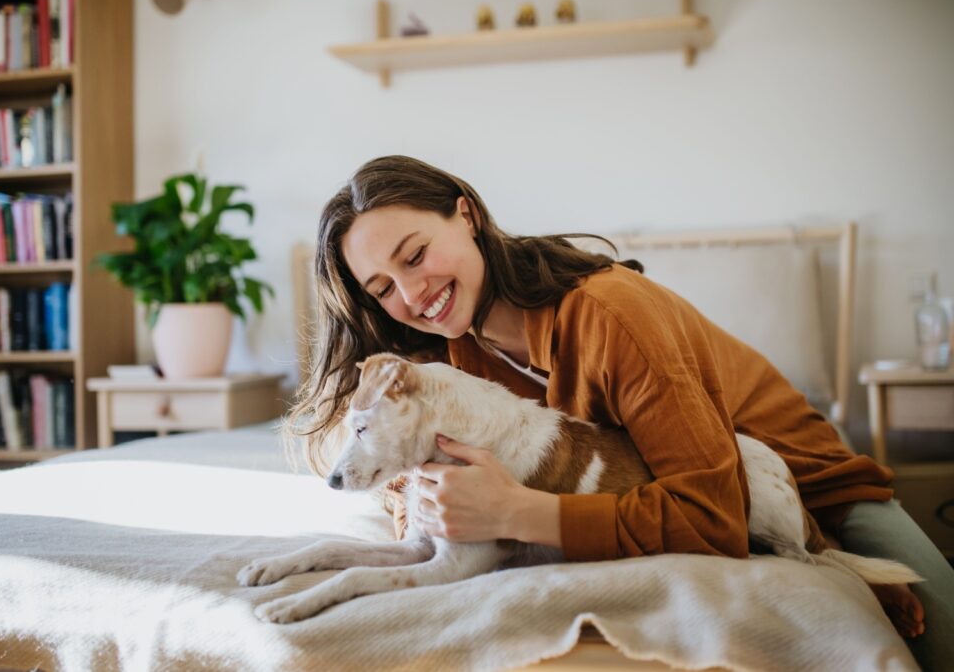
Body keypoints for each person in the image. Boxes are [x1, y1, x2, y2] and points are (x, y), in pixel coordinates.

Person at [288, 155, 954, 668]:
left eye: (415, 255)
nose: (412, 292)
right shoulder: (459, 360)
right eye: (383, 288)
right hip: (706, 498)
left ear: (466, 215)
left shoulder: (614, 317)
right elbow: (421, 488)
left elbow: (712, 513)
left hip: (817, 492)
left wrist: (516, 512)